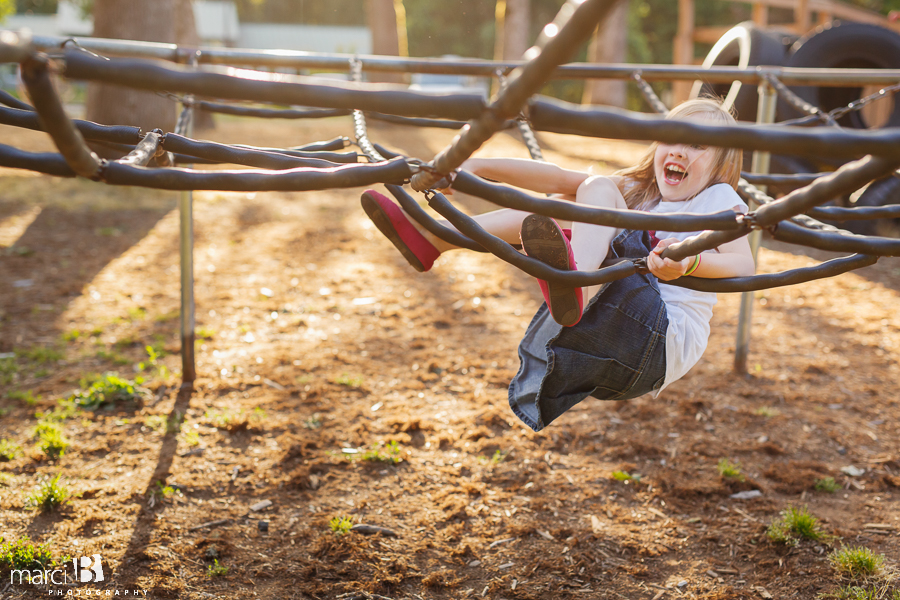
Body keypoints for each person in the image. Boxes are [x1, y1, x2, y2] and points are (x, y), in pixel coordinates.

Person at [360, 98, 756, 432]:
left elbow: (743, 264)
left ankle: (574, 281)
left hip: (659, 336)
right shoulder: (640, 193)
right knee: (573, 205)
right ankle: (432, 240)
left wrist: (690, 263)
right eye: (672, 139)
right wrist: (477, 170)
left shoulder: (717, 199)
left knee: (595, 191)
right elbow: (557, 177)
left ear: (720, 166)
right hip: (614, 341)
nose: (680, 151)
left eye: (698, 146)